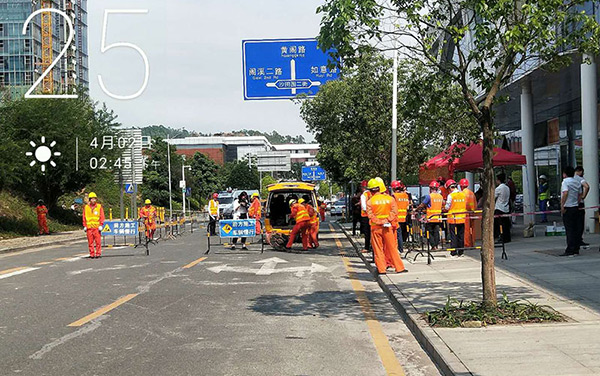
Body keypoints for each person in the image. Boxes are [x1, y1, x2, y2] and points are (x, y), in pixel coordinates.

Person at [366, 178, 407, 274]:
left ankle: (381, 269)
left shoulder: (370, 202)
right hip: (388, 227)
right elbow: (394, 212)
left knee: (378, 249)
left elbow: (370, 216)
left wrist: (379, 221)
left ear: (371, 190)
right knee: (392, 247)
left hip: (376, 228)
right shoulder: (390, 199)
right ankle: (399, 268)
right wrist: (386, 220)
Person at [561, 166, 583, 256]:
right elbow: (580, 194)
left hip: (568, 207)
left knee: (569, 229)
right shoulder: (576, 181)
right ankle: (576, 249)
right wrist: (577, 202)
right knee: (576, 229)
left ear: (565, 174)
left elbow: (565, 193)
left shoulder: (565, 182)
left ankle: (570, 249)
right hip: (575, 207)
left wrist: (562, 205)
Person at [416, 181, 444, 250]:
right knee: (436, 232)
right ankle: (436, 245)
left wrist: (416, 209)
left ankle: (433, 246)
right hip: (438, 218)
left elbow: (423, 204)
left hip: (430, 218)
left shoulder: (429, 196)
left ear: (430, 188)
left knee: (429, 232)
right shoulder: (440, 196)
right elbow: (443, 205)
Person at [444, 180, 466, 256]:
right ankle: (461, 251)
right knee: (461, 235)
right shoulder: (463, 195)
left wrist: (444, 206)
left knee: (453, 235)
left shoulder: (450, 196)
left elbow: (447, 207)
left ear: (449, 188)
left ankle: (453, 252)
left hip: (453, 219)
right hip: (462, 218)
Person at [83, 192, 105, 259]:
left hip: (96, 228)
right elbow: (84, 217)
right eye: (92, 199)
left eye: (95, 199)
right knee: (90, 242)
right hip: (89, 228)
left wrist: (101, 224)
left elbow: (102, 216)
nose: (94, 200)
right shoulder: (86, 207)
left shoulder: (99, 206)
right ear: (89, 199)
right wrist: (85, 225)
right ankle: (92, 254)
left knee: (98, 242)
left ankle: (98, 253)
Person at [391, 180, 410, 253]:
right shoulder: (405, 195)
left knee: (397, 235)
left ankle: (399, 249)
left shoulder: (394, 196)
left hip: (396, 218)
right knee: (401, 234)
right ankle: (401, 249)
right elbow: (407, 206)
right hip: (404, 218)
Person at [574, 166, 590, 247]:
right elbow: (587, 186)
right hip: (580, 202)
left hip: (572, 204)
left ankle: (574, 239)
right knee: (580, 222)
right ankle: (579, 239)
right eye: (582, 172)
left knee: (573, 222)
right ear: (579, 171)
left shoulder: (570, 179)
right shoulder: (580, 179)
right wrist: (583, 196)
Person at [460, 178, 477, 248]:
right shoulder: (472, 193)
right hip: (472, 212)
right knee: (472, 229)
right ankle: (472, 243)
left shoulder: (462, 194)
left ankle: (467, 244)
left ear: (461, 186)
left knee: (466, 229)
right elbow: (475, 203)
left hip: (465, 213)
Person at [494, 173, 511, 243]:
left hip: (499, 208)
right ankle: (507, 238)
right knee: (506, 225)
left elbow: (493, 197)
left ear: (498, 180)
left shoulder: (498, 188)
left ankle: (501, 237)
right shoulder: (507, 188)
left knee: (499, 225)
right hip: (506, 208)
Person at [359, 180, 372, 252]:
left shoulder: (364, 195)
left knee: (367, 233)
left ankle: (367, 247)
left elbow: (364, 207)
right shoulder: (372, 194)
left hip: (366, 216)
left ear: (363, 187)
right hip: (373, 216)